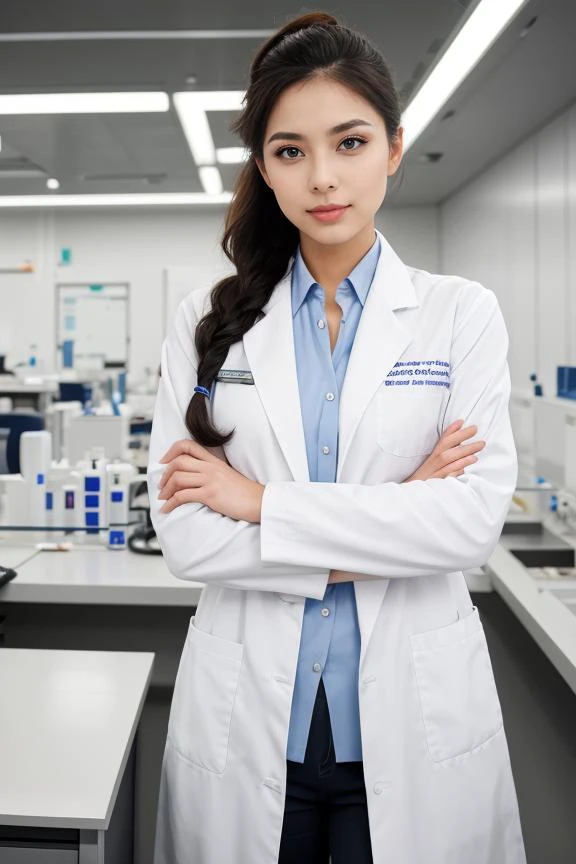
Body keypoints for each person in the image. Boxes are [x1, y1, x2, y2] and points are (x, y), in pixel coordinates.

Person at [148, 11, 526, 864]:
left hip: (411, 724)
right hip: (251, 723)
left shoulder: (457, 315)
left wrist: (258, 504)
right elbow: (185, 539)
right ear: (264, 168)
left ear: (393, 148)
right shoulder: (208, 324)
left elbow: (467, 527)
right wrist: (398, 514)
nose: (322, 177)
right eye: (290, 151)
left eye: (349, 142)